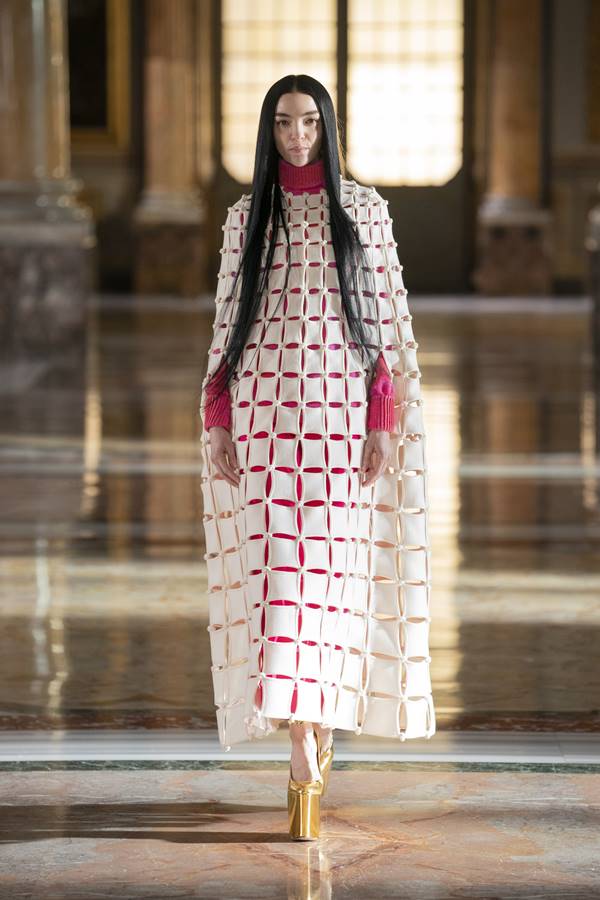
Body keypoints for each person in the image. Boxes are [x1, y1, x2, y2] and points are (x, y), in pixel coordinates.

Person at [199, 74, 435, 841]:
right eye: (283, 123)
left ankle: (316, 721)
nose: (296, 136)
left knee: (329, 588)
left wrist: (381, 422)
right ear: (268, 131)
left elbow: (385, 331)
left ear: (328, 128)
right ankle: (302, 741)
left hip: (339, 429)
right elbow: (227, 326)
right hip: (266, 424)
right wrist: (220, 419)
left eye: (308, 122)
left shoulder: (364, 212)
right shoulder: (247, 219)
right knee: (278, 582)